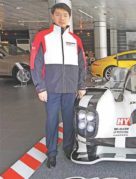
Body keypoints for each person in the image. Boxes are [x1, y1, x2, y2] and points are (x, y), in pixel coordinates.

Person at [30, 3, 86, 168]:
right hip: (51, 89)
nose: (61, 18)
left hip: (70, 89)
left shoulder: (76, 40)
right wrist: (40, 87)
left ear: (69, 18)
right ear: (52, 16)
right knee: (52, 121)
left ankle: (68, 149)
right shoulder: (42, 36)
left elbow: (82, 64)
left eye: (65, 15)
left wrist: (81, 85)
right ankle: (52, 153)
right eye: (58, 14)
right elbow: (35, 63)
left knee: (69, 121)